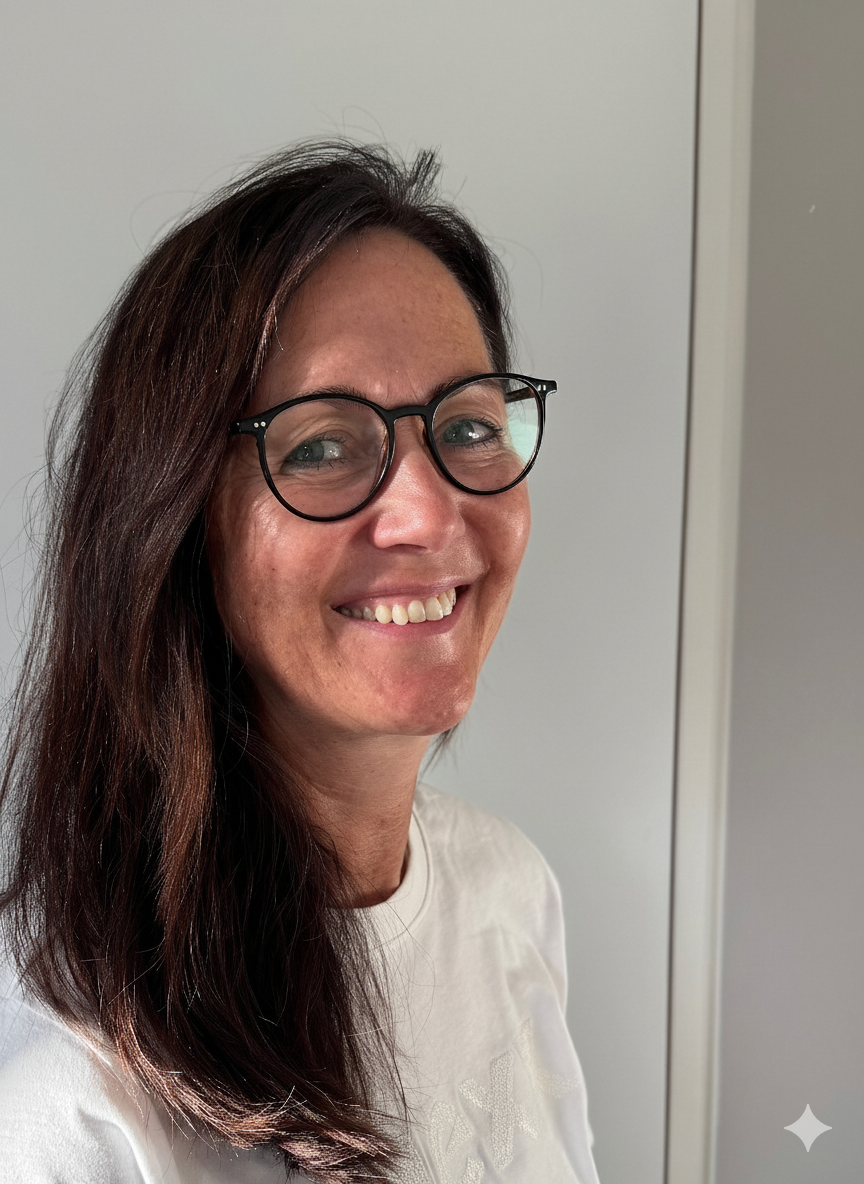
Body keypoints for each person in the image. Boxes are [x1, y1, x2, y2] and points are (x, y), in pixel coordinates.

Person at [0, 142, 600, 1184]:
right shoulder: (63, 1084)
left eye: (468, 424)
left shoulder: (511, 892)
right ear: (177, 521)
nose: (426, 511)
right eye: (321, 445)